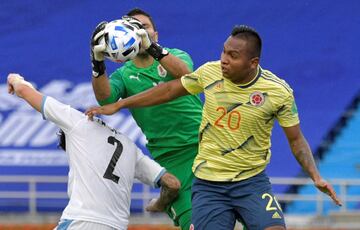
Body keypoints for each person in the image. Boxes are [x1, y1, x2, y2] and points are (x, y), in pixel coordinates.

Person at [86, 25, 343, 230]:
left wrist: (315, 176)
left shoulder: (278, 93)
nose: (224, 60)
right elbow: (167, 90)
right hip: (208, 184)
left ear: (253, 62)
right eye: (223, 52)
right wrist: (119, 106)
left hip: (251, 182)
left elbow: (296, 139)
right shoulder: (210, 73)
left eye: (233, 56)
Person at [7, 73, 180, 230]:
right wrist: (159, 203)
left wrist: (15, 79)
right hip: (116, 226)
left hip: (81, 221)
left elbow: (23, 90)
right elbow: (172, 183)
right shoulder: (131, 147)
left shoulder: (77, 124)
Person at [90, 8, 202, 230]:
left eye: (144, 27)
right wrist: (97, 62)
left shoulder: (176, 55)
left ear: (156, 34)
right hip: (171, 156)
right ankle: (164, 201)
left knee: (248, 217)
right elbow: (105, 99)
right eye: (132, 27)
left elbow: (187, 76)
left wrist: (151, 47)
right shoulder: (123, 74)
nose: (138, 31)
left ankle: (160, 202)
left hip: (207, 144)